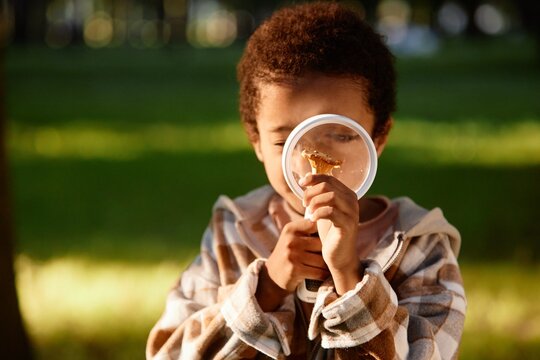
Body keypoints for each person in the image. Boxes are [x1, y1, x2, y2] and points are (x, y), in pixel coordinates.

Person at [146, 2, 466, 359]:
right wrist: (265, 288)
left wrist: (350, 278)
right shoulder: (233, 233)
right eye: (285, 142)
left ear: (378, 136)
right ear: (256, 141)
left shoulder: (419, 246)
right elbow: (169, 353)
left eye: (342, 135)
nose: (313, 163)